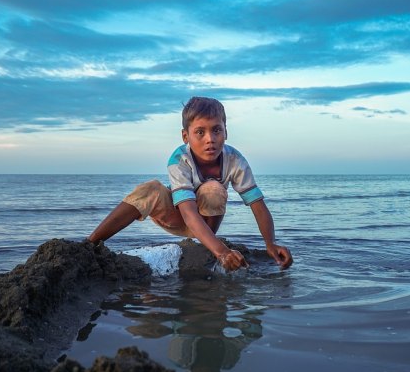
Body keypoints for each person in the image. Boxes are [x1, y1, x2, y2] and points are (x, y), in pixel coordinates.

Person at [86, 96, 292, 272]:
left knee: (213, 189)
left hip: (208, 223)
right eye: (200, 132)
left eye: (216, 130)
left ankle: (204, 243)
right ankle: (90, 243)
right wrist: (221, 251)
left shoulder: (235, 160)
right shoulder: (179, 159)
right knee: (150, 189)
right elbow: (187, 213)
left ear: (226, 133)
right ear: (186, 136)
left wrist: (270, 243)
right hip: (177, 217)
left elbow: (257, 204)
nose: (210, 139)